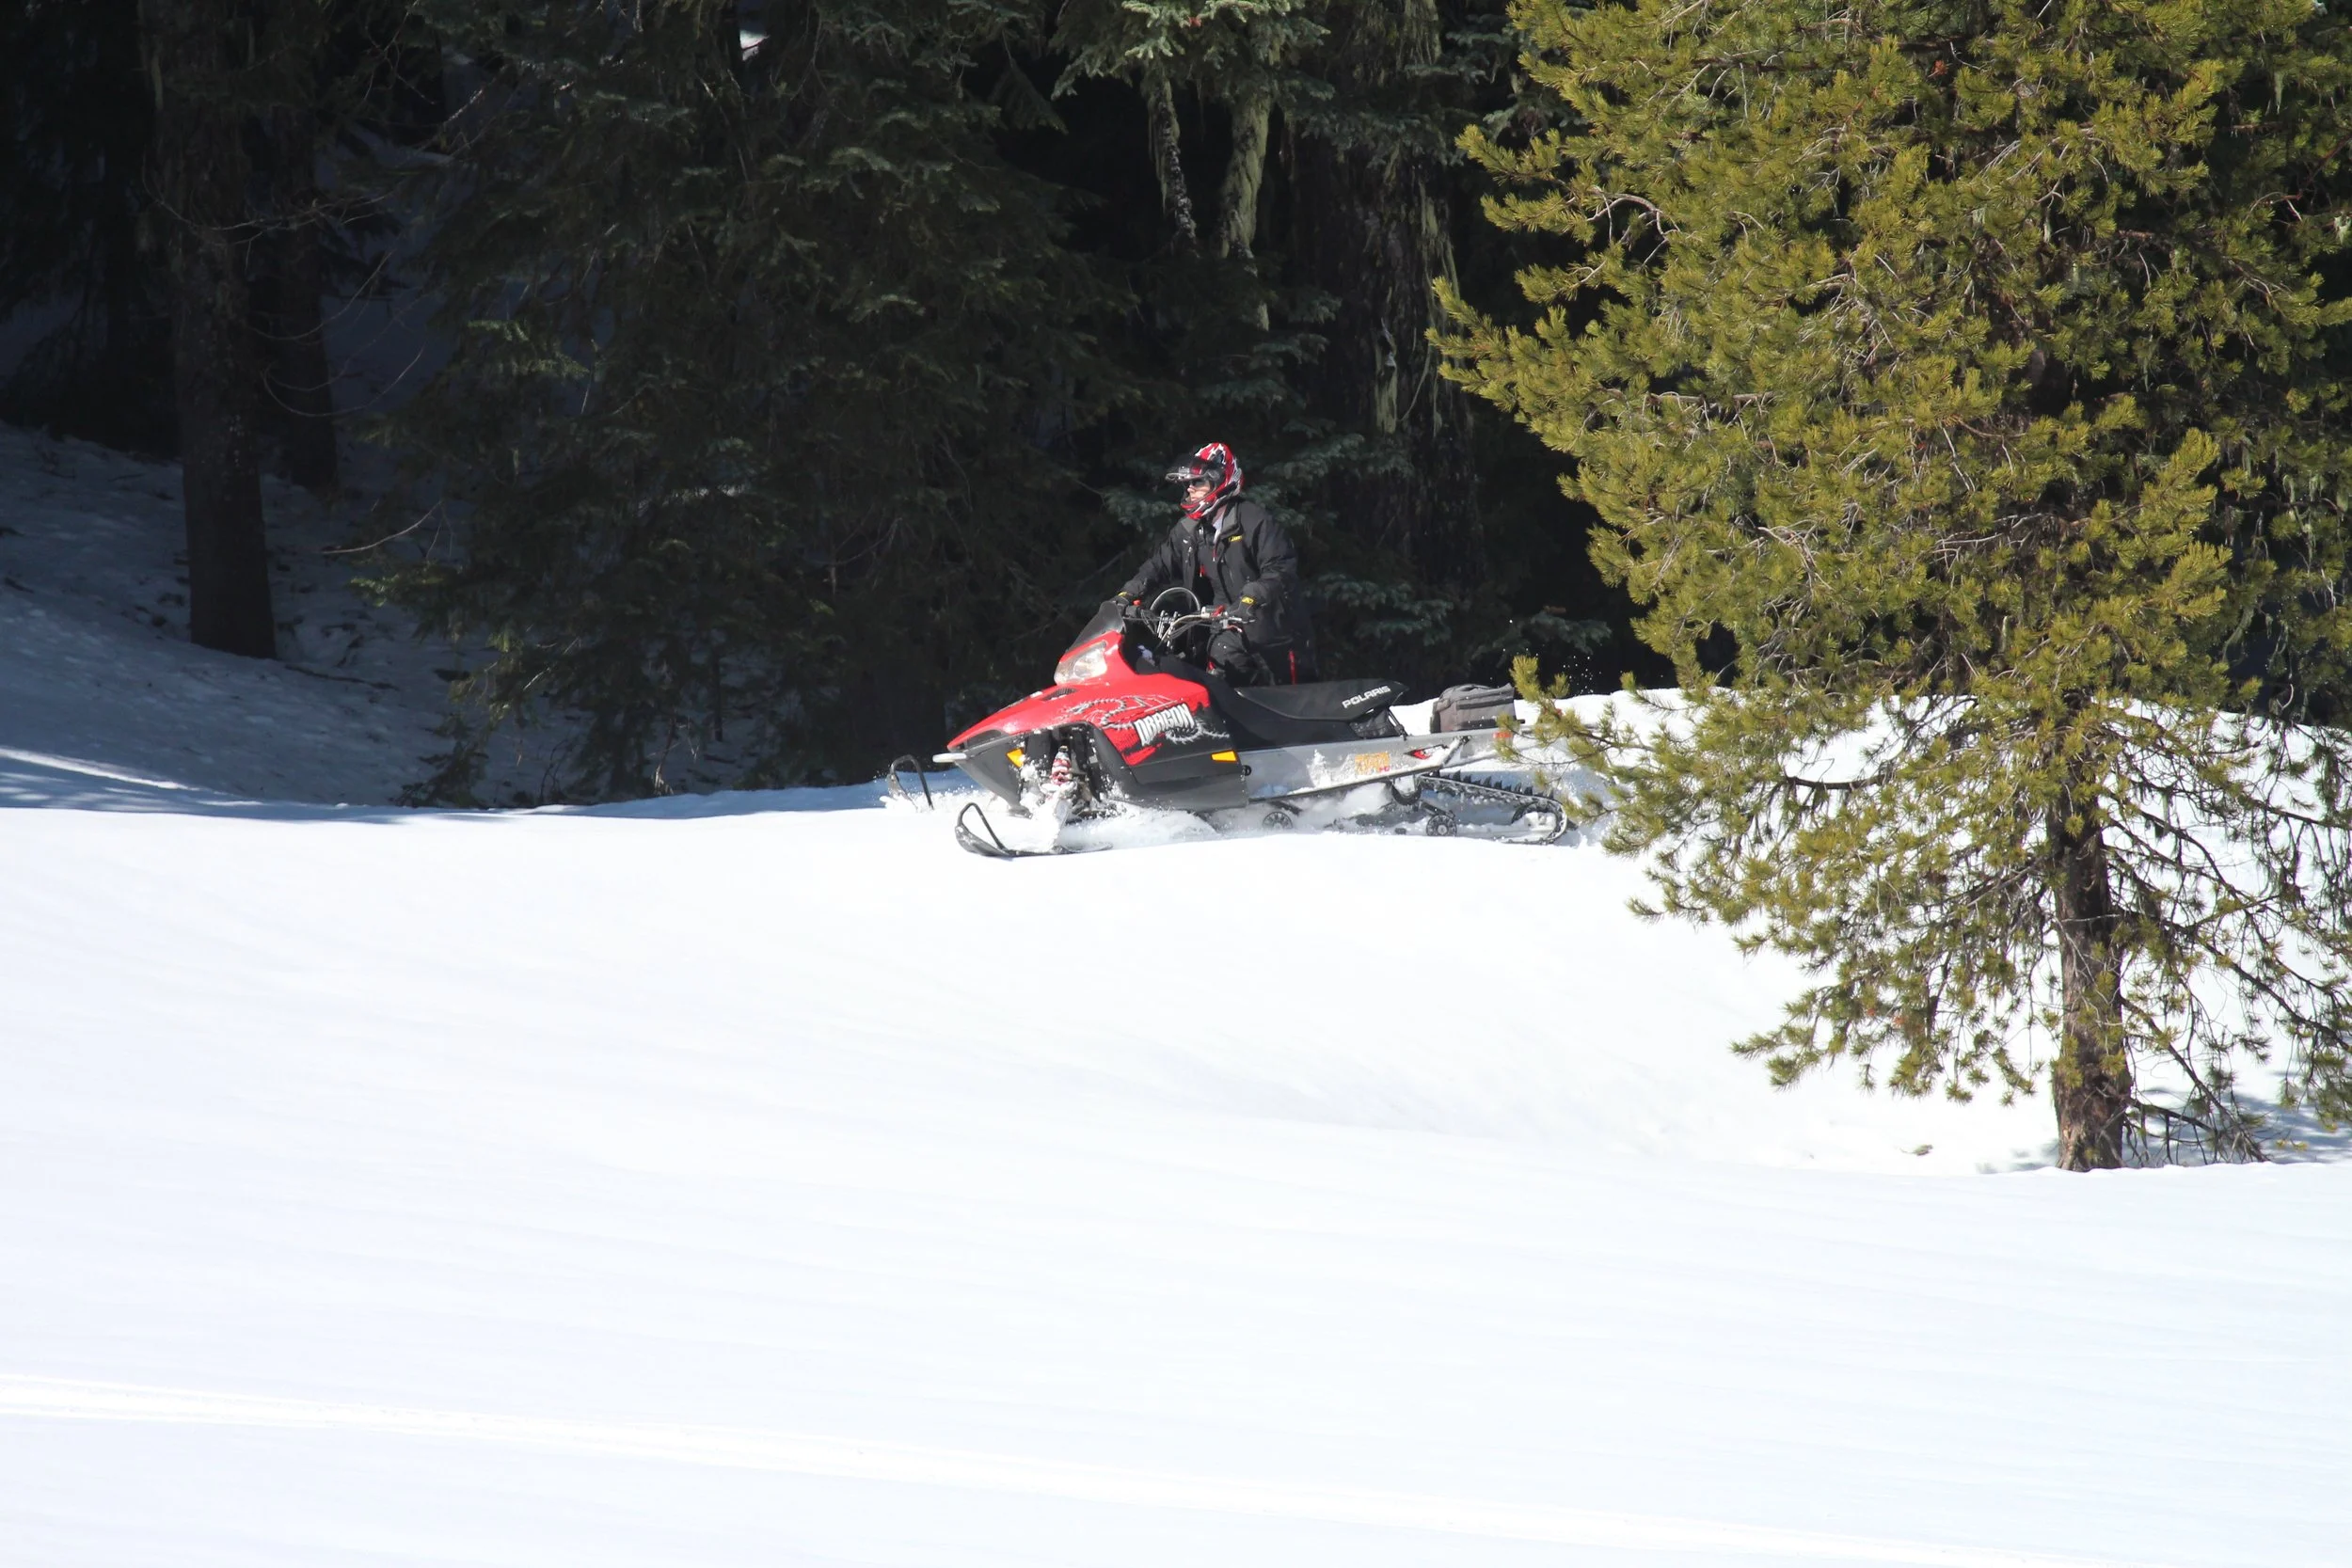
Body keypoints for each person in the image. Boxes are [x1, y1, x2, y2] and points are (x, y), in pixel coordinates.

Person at [1115, 443, 1314, 685]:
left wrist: (1251, 598)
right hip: (1226, 629)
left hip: (1275, 632)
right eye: (1188, 483)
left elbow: (1280, 568)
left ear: (1220, 481)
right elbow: (1158, 565)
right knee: (1219, 684)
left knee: (1289, 699)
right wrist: (1128, 593)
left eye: (1198, 482)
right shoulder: (1189, 530)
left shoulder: (1255, 521)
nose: (1190, 488)